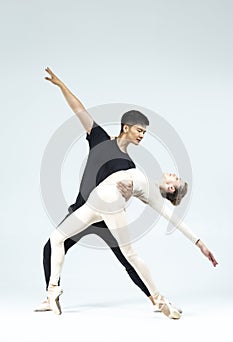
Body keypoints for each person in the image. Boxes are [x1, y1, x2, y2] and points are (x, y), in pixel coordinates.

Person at [35, 67, 160, 313]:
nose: (142, 136)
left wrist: (128, 191)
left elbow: (128, 195)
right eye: (139, 130)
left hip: (107, 218)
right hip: (82, 210)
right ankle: (51, 296)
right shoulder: (99, 137)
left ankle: (154, 299)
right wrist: (62, 86)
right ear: (126, 127)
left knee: (127, 259)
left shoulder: (129, 165)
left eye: (144, 133)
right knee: (51, 246)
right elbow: (79, 108)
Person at [47, 168, 218, 319]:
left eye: (176, 178)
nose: (174, 174)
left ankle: (159, 300)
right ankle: (53, 288)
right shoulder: (149, 180)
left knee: (129, 253)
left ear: (171, 188)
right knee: (57, 238)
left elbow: (175, 220)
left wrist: (199, 243)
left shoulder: (154, 195)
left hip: (109, 199)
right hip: (95, 200)